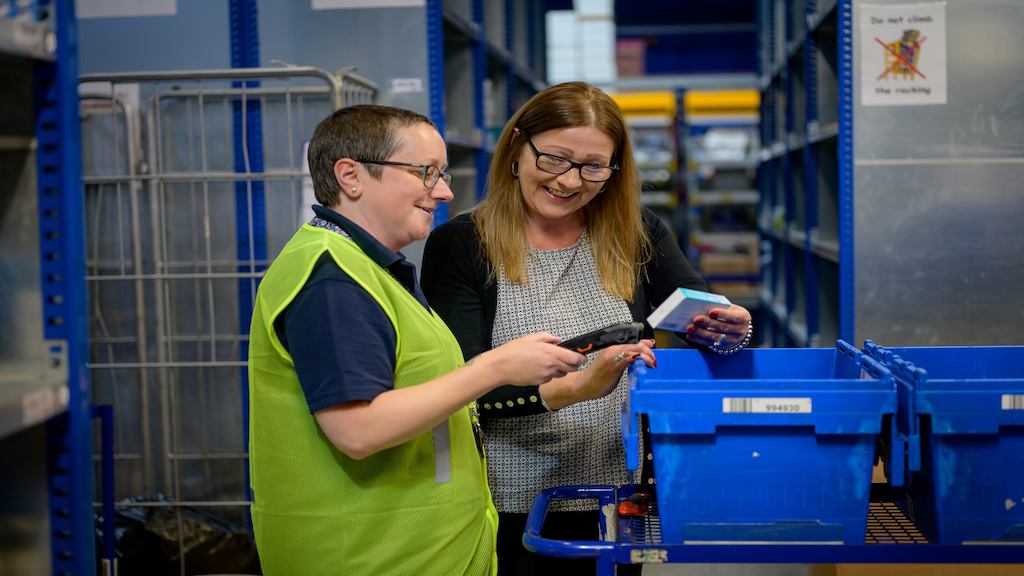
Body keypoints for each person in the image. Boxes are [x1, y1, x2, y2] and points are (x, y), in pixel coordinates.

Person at [247, 104, 614, 576]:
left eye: (440, 174)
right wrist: (495, 368)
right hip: (366, 558)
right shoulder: (332, 279)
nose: (443, 191)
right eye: (425, 173)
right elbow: (357, 430)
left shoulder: (373, 268)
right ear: (351, 176)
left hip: (413, 552)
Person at [421, 82, 753, 575]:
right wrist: (574, 388)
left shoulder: (637, 233)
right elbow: (464, 390)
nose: (571, 181)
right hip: (508, 503)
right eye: (554, 158)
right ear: (516, 147)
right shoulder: (462, 244)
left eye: (594, 166)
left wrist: (732, 329)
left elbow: (700, 323)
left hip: (619, 492)